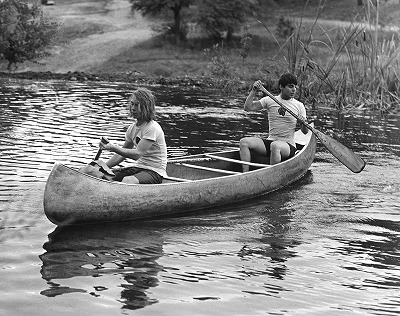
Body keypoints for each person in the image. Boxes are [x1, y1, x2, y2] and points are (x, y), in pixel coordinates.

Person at [239, 73, 308, 172]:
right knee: (244, 142)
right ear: (281, 87)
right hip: (271, 141)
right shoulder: (270, 100)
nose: (294, 90)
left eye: (295, 87)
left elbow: (305, 132)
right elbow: (247, 108)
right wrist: (253, 91)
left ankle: (272, 175)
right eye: (290, 86)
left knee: (275, 146)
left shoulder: (299, 106)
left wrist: (303, 123)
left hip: (288, 145)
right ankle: (245, 175)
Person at [99, 88, 167, 184]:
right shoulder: (132, 128)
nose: (133, 108)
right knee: (103, 175)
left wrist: (113, 147)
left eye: (137, 105)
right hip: (138, 168)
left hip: (155, 172)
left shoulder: (152, 128)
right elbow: (120, 155)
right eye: (132, 104)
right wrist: (102, 167)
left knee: (128, 180)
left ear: (146, 107)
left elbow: (137, 154)